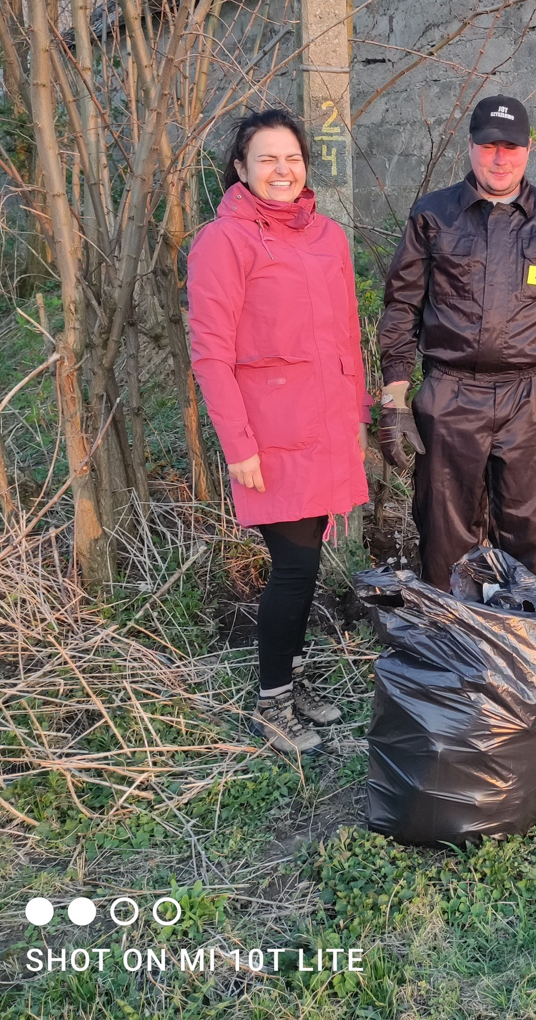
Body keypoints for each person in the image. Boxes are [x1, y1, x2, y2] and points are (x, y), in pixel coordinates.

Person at [377, 94, 536, 585]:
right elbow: (402, 307)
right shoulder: (433, 216)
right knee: (445, 536)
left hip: (531, 397)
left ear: (529, 149)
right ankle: (454, 642)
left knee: (526, 530)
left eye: (511, 146)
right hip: (450, 393)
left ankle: (521, 643)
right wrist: (394, 400)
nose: (499, 158)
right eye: (489, 145)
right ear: (471, 147)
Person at [188, 109, 370, 756]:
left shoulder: (327, 237)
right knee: (293, 570)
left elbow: (346, 337)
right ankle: (271, 704)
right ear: (240, 168)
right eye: (267, 159)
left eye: (291, 158)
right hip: (270, 440)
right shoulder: (224, 242)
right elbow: (210, 354)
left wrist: (358, 422)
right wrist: (239, 447)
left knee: (308, 564)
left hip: (326, 433)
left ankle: (291, 682)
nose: (282, 170)